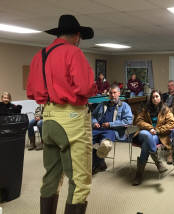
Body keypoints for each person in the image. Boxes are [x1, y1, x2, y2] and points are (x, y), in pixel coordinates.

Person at [27, 15, 97, 214]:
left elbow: (31, 92)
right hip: (72, 120)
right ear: (77, 36)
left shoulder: (39, 55)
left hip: (48, 119)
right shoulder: (73, 52)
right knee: (80, 181)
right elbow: (85, 87)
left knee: (51, 176)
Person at [132, 90, 174, 185]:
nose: (155, 99)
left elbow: (171, 124)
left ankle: (139, 174)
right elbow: (138, 121)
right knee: (147, 135)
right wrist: (150, 128)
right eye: (153, 97)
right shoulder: (146, 109)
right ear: (151, 99)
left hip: (157, 135)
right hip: (144, 133)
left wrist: (158, 130)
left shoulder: (166, 109)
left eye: (157, 96)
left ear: (160, 98)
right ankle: (158, 162)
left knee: (145, 145)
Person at [91, 84, 133, 174]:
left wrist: (110, 124)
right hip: (97, 129)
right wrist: (94, 122)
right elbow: (93, 115)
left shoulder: (124, 106)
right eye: (110, 93)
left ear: (119, 93)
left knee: (105, 145)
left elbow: (128, 121)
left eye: (114, 93)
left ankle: (95, 165)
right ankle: (100, 163)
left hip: (112, 130)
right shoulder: (103, 104)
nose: (112, 95)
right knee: (85, 142)